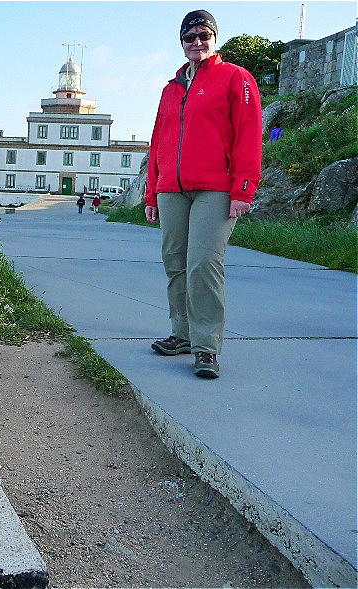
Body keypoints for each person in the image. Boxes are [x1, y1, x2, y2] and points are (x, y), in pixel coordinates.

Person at [144, 9, 262, 378]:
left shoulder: (235, 78)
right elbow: (159, 140)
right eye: (190, 36)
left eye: (204, 35)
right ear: (181, 42)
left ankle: (206, 347)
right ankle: (181, 334)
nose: (197, 42)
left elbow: (248, 133)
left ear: (214, 38)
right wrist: (152, 193)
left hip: (215, 188)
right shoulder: (171, 88)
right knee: (175, 262)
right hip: (172, 190)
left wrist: (244, 188)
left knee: (203, 264)